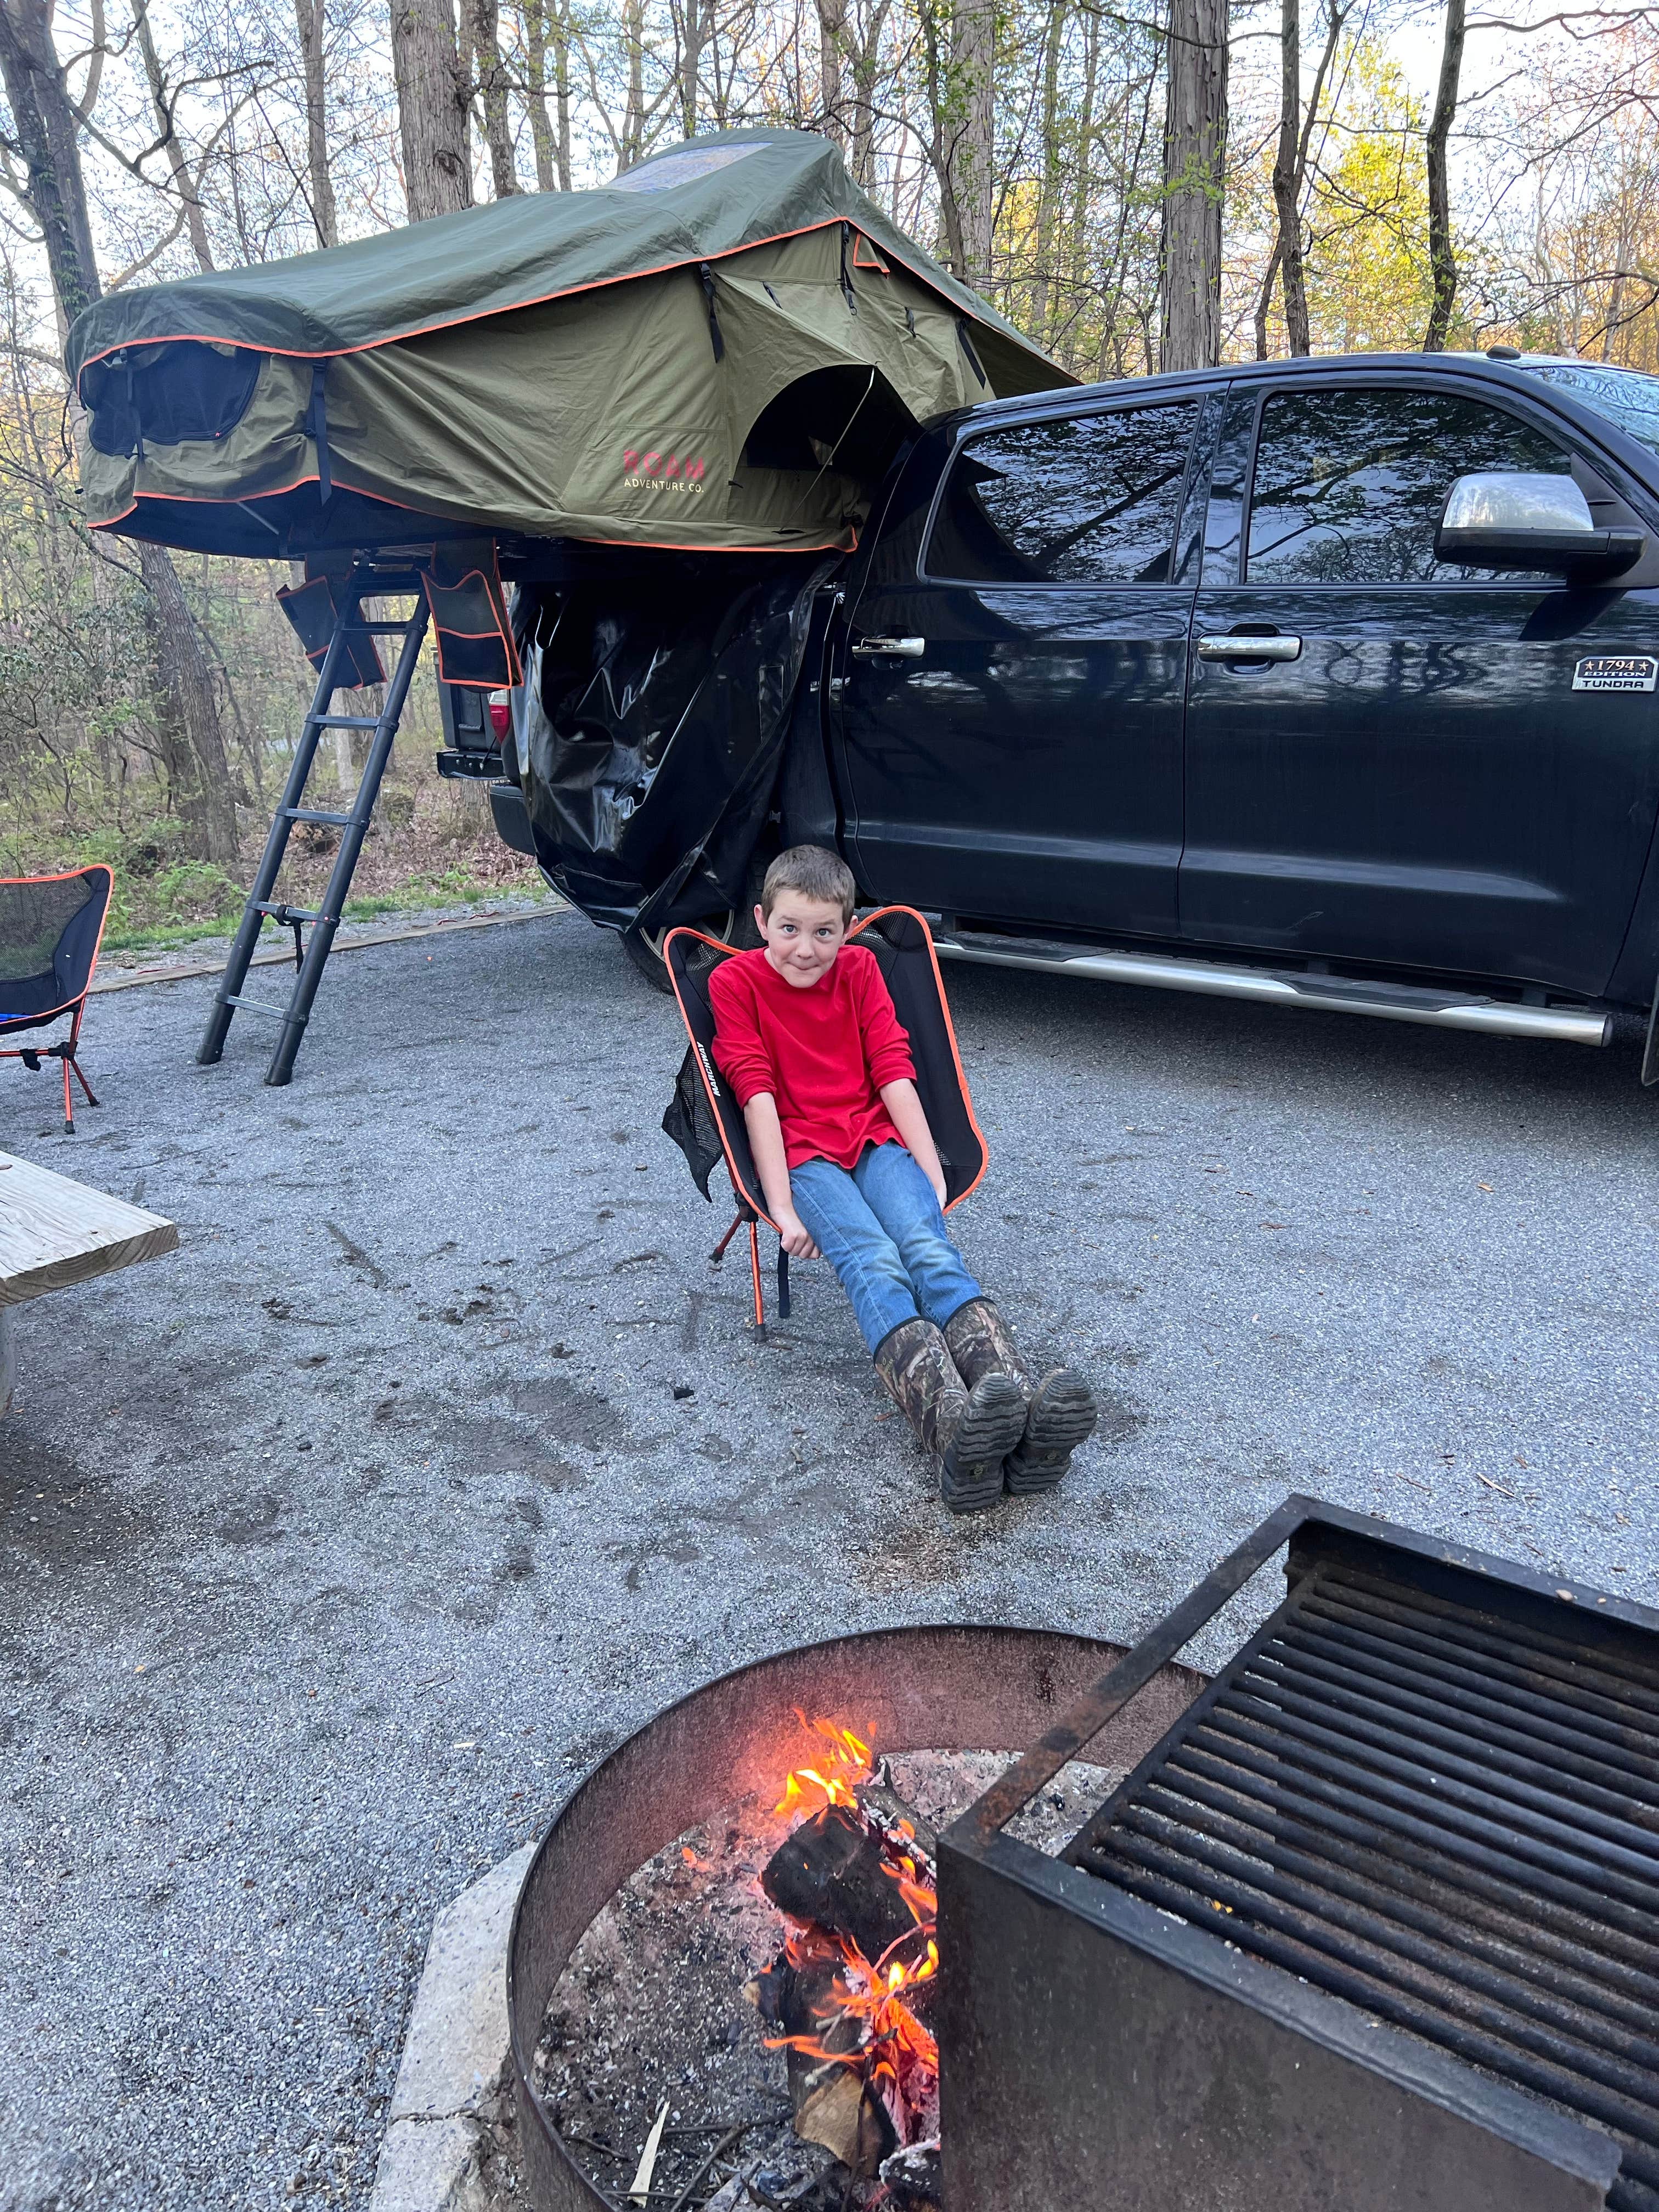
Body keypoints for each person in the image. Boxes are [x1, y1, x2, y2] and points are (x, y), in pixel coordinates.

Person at [708, 844, 1097, 1513]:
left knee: (928, 1247)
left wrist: (927, 1164)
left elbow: (892, 1069)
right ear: (761, 920)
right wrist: (780, 1208)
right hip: (802, 1155)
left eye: (825, 931)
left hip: (874, 1139)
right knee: (875, 1260)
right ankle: (952, 1433)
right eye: (791, 929)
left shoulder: (859, 969)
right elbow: (756, 1097)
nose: (807, 948)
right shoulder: (734, 984)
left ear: (847, 928)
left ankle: (1023, 1425)